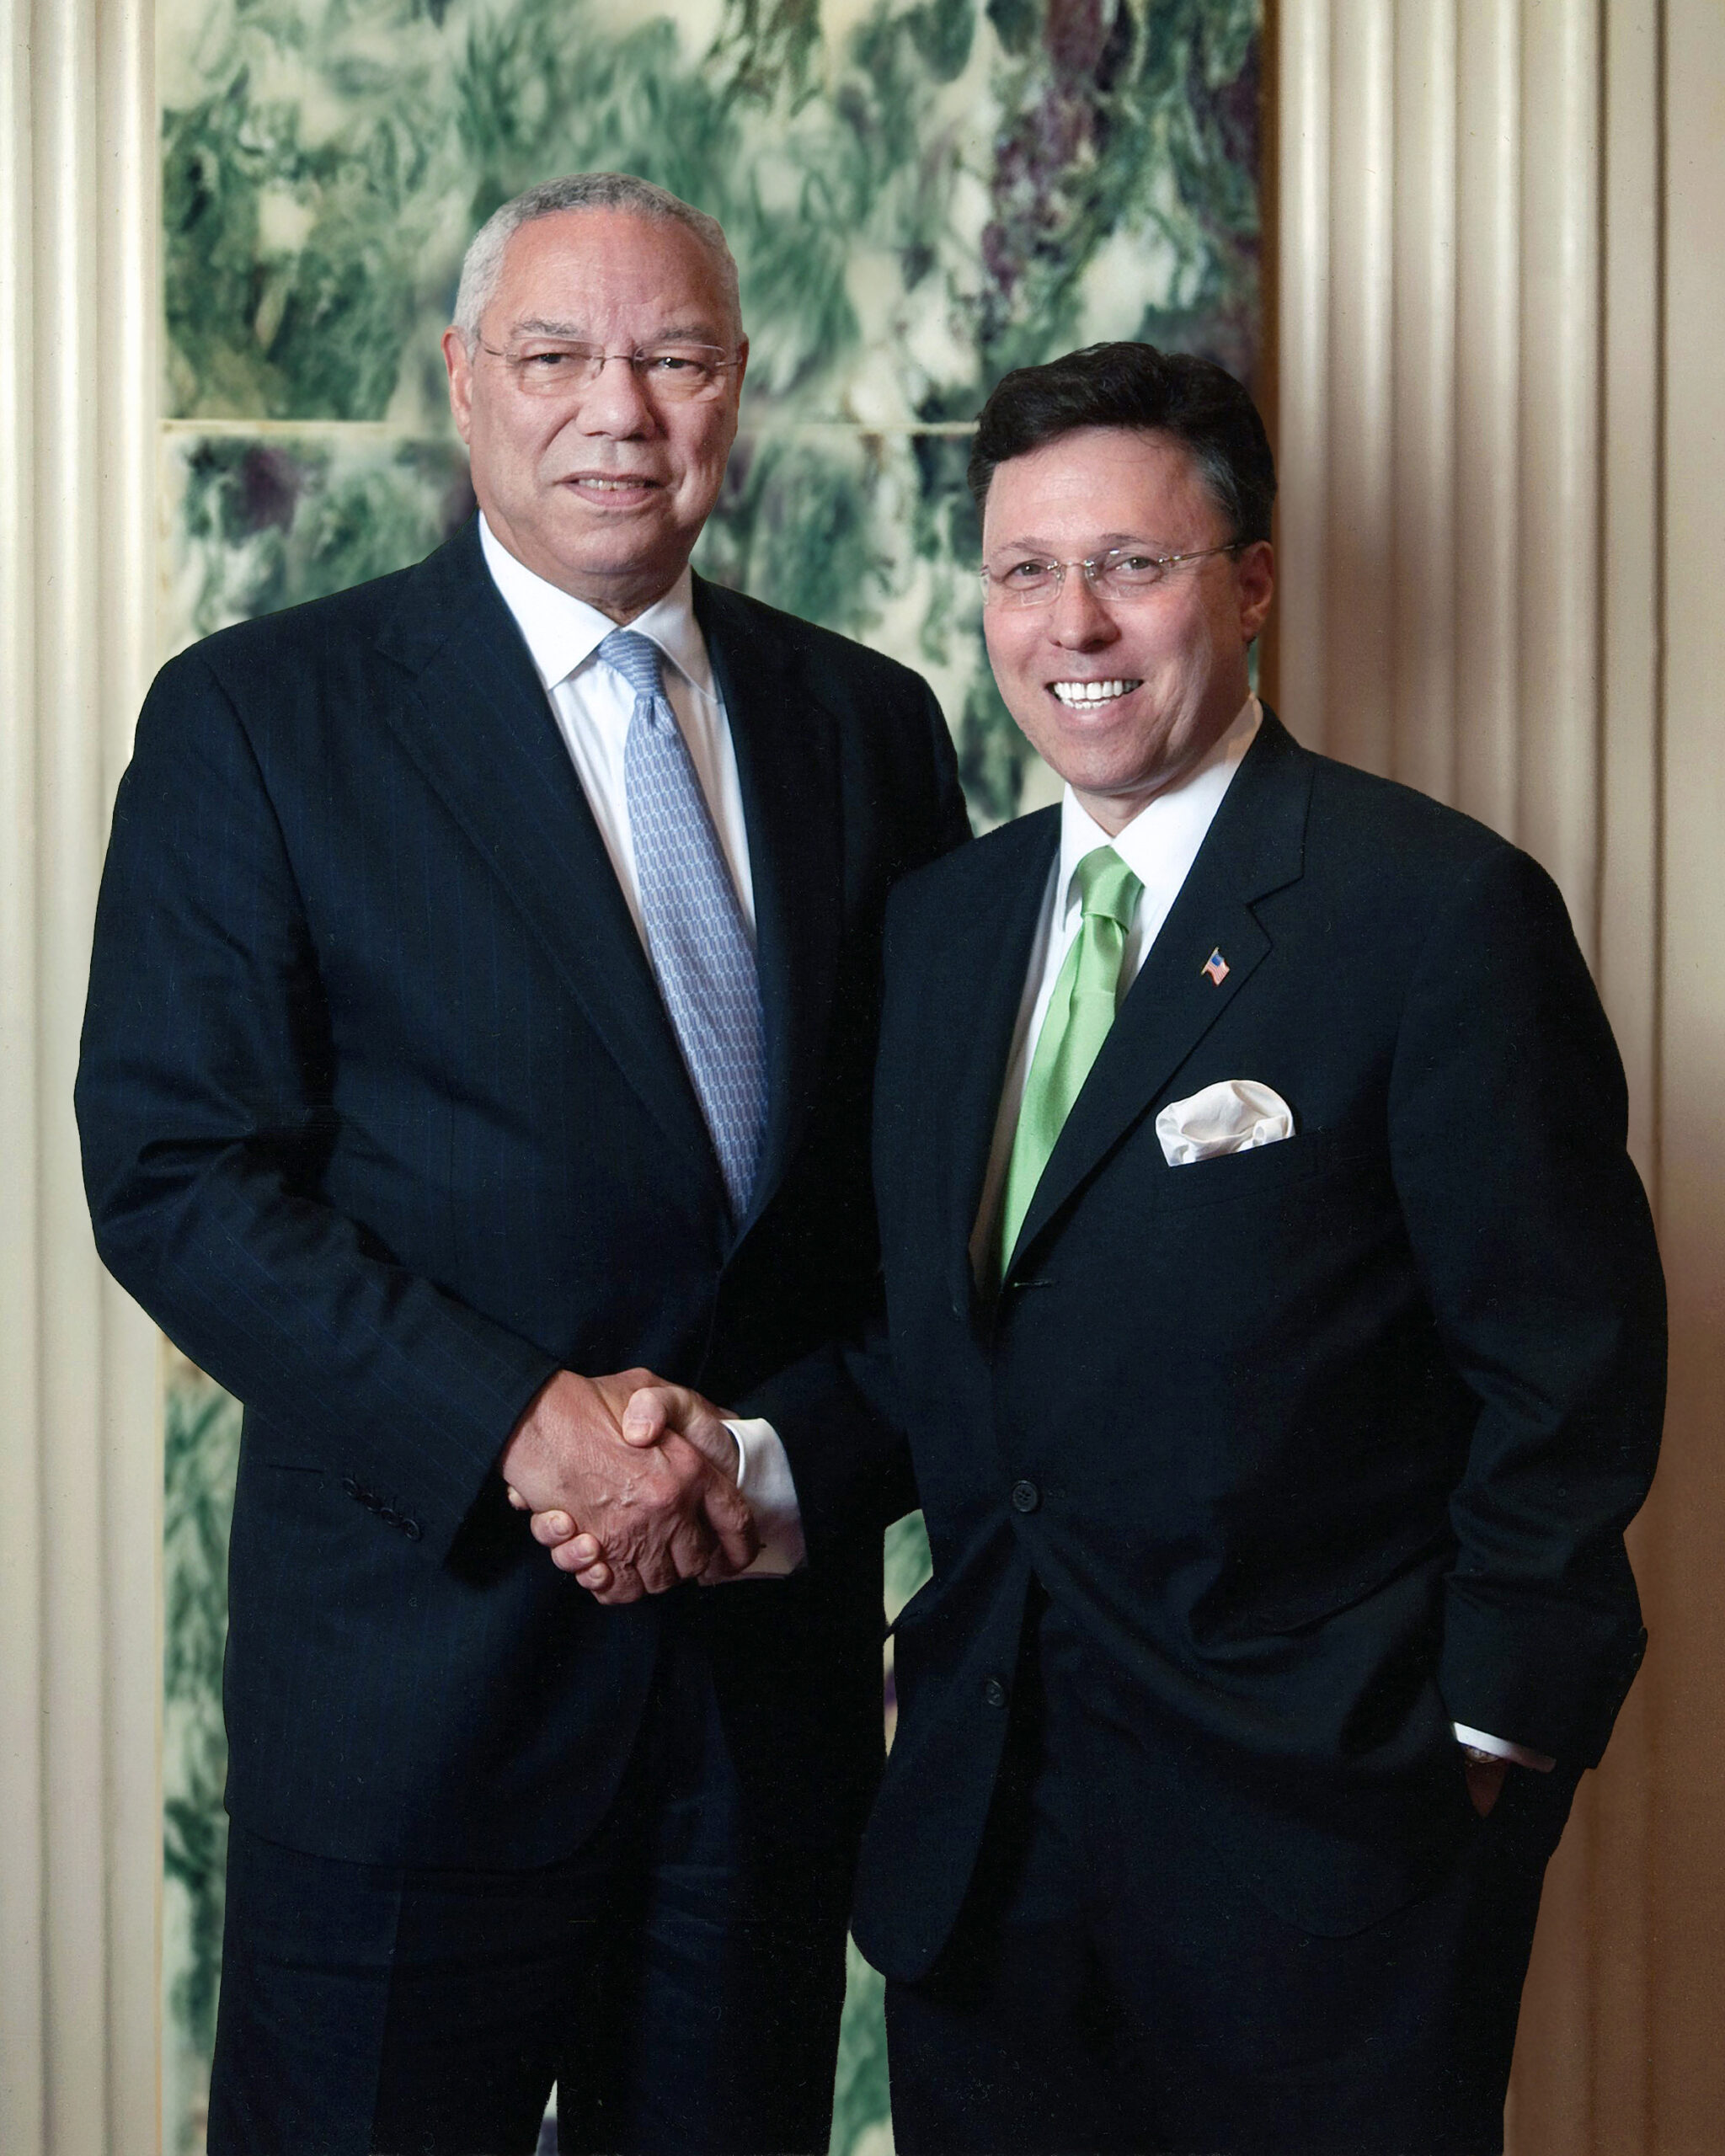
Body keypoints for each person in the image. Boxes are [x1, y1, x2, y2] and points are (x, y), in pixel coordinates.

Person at [546, 342, 1666, 2154]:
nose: (1072, 622)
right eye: (1024, 570)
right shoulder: (943, 926)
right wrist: (747, 1466)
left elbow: (1567, 1369)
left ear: (1252, 581)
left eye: (1133, 564)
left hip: (1330, 1854)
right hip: (989, 1847)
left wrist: (1487, 1743)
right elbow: (949, 1345)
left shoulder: (1434, 914)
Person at [76, 172, 966, 2156]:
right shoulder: (260, 717)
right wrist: (519, 1423)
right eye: (555, 355)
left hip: (756, 1697)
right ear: (464, 381)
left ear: (737, 389)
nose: (616, 411)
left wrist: (776, 1462)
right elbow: (176, 1171)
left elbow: (931, 1214)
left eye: (674, 359)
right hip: (417, 1686)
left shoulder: (870, 729)